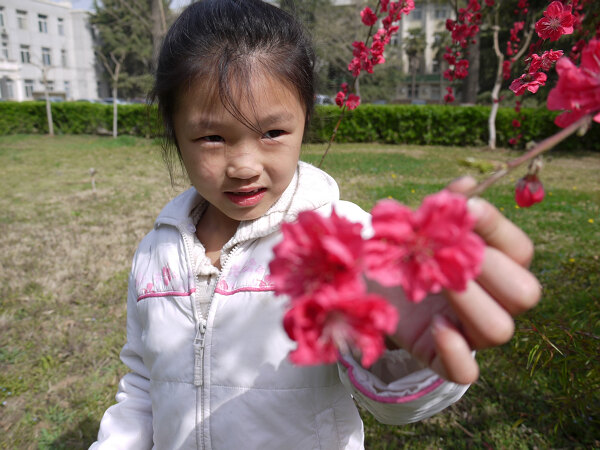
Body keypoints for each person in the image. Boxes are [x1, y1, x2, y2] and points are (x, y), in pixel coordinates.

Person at [90, 0, 540, 448]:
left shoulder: (351, 241)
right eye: (212, 137)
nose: (244, 165)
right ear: (173, 131)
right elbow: (143, 383)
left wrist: (398, 348)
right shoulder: (157, 253)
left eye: (272, 133)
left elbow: (391, 402)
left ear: (306, 119)